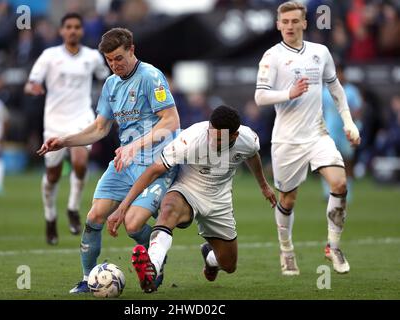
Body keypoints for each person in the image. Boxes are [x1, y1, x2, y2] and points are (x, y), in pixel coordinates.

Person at [37, 27, 180, 293]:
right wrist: (64, 140)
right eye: (109, 60)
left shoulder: (151, 77)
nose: (114, 65)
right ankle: (88, 278)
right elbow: (100, 127)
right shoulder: (111, 84)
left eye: (119, 58)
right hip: (124, 162)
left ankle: (155, 261)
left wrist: (135, 146)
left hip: (155, 163)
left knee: (133, 224)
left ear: (132, 50)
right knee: (94, 216)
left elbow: (171, 121)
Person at [106, 105, 277, 293]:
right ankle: (152, 268)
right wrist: (123, 207)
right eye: (211, 133)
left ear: (234, 136)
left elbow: (252, 156)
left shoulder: (248, 139)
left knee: (229, 265)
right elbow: (154, 170)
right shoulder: (191, 139)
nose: (212, 140)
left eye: (219, 139)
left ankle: (210, 259)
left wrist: (264, 186)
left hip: (219, 200)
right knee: (169, 208)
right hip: (187, 189)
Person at [254, 1, 361, 275]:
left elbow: (336, 88)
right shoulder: (271, 56)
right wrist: (287, 94)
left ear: (304, 23)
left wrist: (349, 122)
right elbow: (260, 96)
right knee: (287, 200)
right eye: (285, 22)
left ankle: (333, 247)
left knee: (340, 183)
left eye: (294, 21)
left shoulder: (320, 52)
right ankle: (286, 249)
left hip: (317, 134)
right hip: (287, 141)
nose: (289, 26)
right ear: (278, 24)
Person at [24, 13, 110, 245]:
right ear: (61, 31)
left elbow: (108, 78)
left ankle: (73, 208)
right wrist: (33, 87)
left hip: (82, 118)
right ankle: (50, 217)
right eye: (68, 27)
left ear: (82, 31)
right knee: (53, 174)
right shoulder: (49, 56)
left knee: (80, 162)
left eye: (76, 27)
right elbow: (32, 81)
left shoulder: (92, 57)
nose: (72, 31)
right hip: (54, 122)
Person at [321, 64, 363, 202]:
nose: (338, 75)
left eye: (340, 72)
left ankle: (347, 193)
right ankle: (328, 191)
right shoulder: (325, 90)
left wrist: (355, 126)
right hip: (330, 131)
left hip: (346, 132)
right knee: (328, 162)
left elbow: (357, 111)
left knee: (347, 162)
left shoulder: (351, 91)